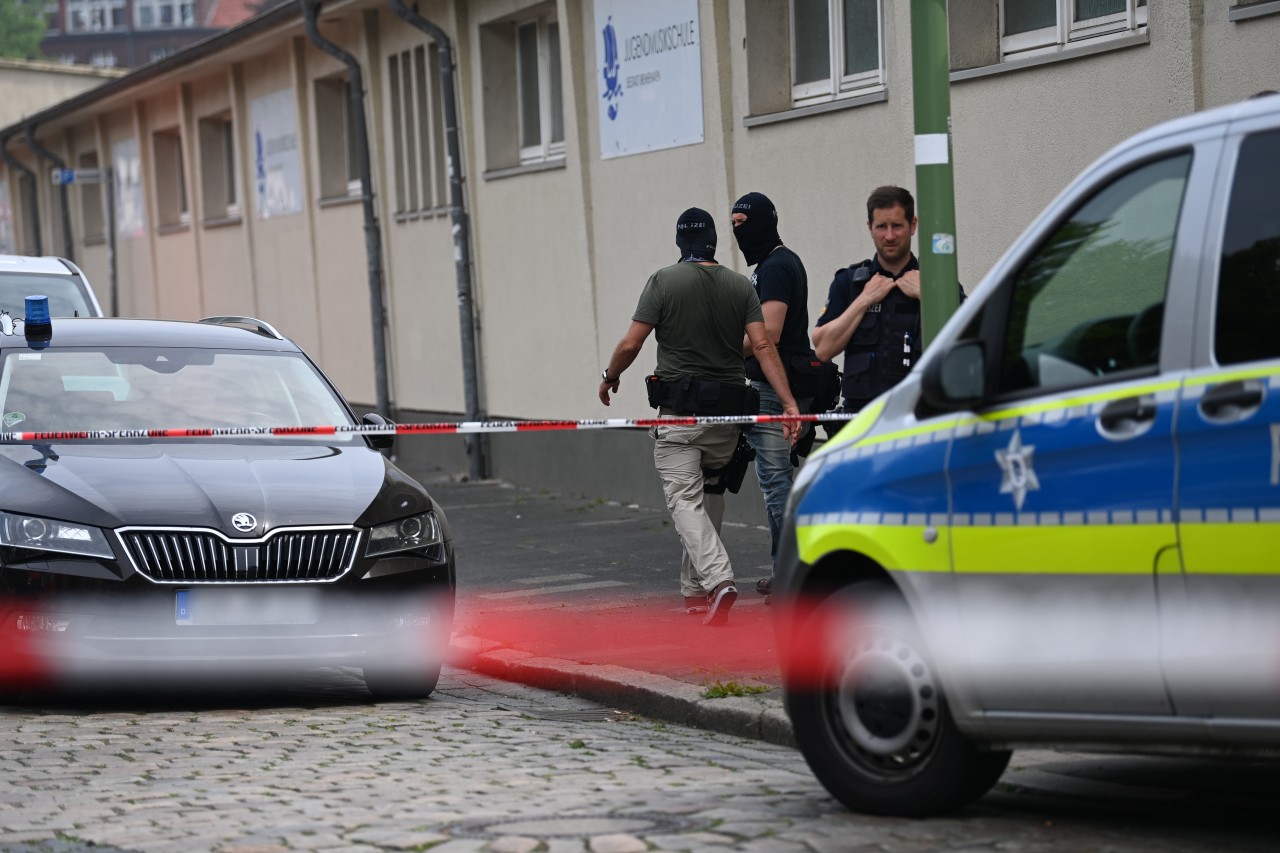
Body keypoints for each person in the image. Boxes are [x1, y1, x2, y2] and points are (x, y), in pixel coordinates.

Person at [599, 207, 800, 627]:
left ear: (680, 242)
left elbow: (632, 342)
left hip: (680, 417)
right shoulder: (741, 285)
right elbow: (764, 348)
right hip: (727, 420)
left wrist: (610, 376)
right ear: (714, 240)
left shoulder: (663, 281)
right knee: (709, 494)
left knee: (684, 501)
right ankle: (693, 592)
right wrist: (788, 403)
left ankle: (718, 580)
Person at [730, 191, 813, 603]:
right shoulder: (775, 264)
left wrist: (724, 341)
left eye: (742, 224)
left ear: (764, 221)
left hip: (774, 391)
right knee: (779, 485)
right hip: (780, 389)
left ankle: (796, 577)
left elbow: (772, 334)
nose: (736, 232)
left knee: (777, 485)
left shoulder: (777, 267)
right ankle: (786, 572)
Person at [814, 185, 957, 413]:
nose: (889, 236)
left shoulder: (937, 283)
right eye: (881, 226)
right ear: (870, 227)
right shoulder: (849, 282)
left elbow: (972, 332)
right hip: (864, 417)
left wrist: (927, 295)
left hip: (922, 413)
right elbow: (822, 348)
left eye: (897, 226)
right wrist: (864, 300)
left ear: (913, 225)